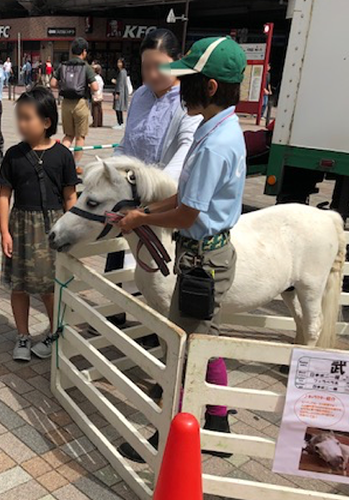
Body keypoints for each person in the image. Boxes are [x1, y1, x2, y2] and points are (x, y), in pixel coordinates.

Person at [116, 36, 247, 463]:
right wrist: (145, 210)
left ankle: (166, 434)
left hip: (202, 257)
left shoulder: (214, 143)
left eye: (186, 77)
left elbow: (188, 212)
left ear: (208, 87)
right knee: (200, 336)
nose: (177, 83)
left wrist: (143, 219)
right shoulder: (215, 128)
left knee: (184, 348)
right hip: (199, 254)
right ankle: (220, 418)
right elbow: (184, 198)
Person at [0, 88, 77, 361]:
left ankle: (55, 333)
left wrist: (71, 233)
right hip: (20, 226)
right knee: (19, 285)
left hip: (53, 226)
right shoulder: (14, 156)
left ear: (47, 122)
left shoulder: (63, 155)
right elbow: (4, 196)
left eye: (28, 118)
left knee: (49, 287)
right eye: (19, 118)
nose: (21, 124)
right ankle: (23, 335)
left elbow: (70, 197)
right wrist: (4, 232)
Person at [113, 29, 201, 180]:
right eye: (146, 67)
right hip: (131, 187)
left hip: (165, 191)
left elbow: (186, 150)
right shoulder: (140, 95)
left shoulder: (188, 100)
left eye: (160, 66)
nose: (152, 74)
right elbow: (127, 142)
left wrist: (156, 186)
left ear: (178, 62)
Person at [51, 37, 99, 165]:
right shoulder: (86, 67)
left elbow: (53, 83)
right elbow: (95, 87)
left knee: (68, 135)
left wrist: (65, 86)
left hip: (66, 103)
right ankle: (74, 164)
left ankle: (60, 161)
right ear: (84, 52)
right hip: (80, 103)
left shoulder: (63, 65)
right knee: (80, 137)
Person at [112, 58, 129, 129]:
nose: (118, 64)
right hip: (122, 91)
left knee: (118, 107)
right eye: (118, 62)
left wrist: (117, 93)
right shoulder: (123, 71)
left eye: (120, 63)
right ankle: (120, 122)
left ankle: (120, 123)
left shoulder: (122, 72)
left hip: (120, 92)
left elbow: (121, 84)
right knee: (119, 107)